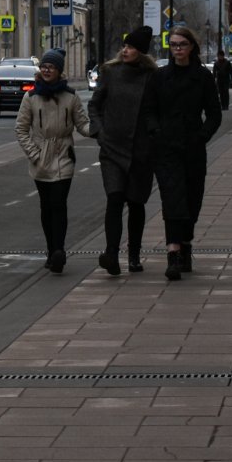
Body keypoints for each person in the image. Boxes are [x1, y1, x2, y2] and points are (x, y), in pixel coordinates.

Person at [142, 26, 221, 280]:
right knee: (172, 199)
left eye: (181, 45)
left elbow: (214, 113)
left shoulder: (203, 77)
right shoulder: (159, 77)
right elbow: (149, 109)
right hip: (165, 148)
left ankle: (185, 243)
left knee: (192, 201)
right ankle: (173, 254)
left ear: (191, 47)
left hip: (193, 148)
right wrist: (155, 131)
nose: (177, 49)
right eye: (173, 45)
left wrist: (202, 136)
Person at [14, 49, 93, 274]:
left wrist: (97, 130)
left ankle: (59, 250)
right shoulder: (31, 97)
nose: (47, 70)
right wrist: (34, 153)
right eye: (45, 67)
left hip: (63, 155)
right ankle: (51, 250)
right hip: (40, 158)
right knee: (46, 206)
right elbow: (20, 129)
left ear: (59, 71)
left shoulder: (70, 96)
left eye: (52, 67)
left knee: (59, 204)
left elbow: (82, 124)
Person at [88, 25, 157, 276]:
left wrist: (152, 137)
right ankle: (111, 253)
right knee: (115, 199)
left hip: (140, 151)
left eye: (130, 46)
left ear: (140, 51)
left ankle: (135, 255)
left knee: (136, 203)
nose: (125, 49)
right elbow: (94, 106)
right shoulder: (111, 72)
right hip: (112, 147)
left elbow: (156, 111)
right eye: (124, 46)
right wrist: (99, 132)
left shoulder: (151, 76)